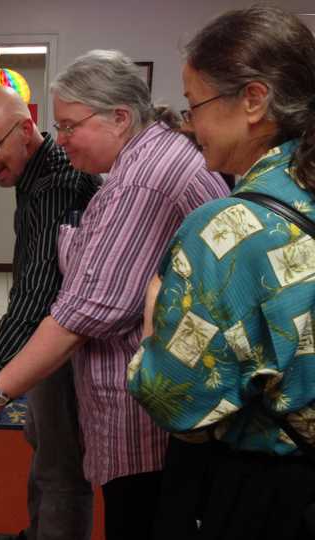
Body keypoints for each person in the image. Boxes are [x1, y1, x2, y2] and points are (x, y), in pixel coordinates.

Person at [0, 50, 229, 540]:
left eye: (68, 126)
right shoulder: (138, 161)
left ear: (120, 118)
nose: (58, 141)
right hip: (160, 390)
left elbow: (79, 311)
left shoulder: (138, 181)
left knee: (121, 507)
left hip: (148, 404)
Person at [127, 6, 315, 539]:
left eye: (195, 106)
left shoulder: (228, 229)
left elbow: (177, 402)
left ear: (254, 100)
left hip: (265, 491)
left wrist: (150, 325)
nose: (191, 126)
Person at [0, 85, 100, 540]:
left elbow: (36, 297)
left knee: (61, 467)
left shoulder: (54, 185)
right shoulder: (36, 174)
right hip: (49, 337)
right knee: (43, 442)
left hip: (64, 344)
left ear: (26, 129)